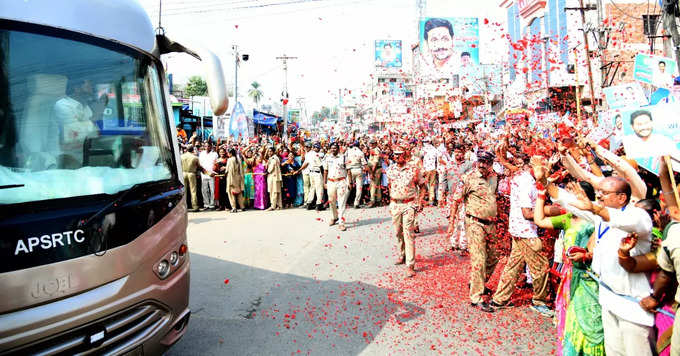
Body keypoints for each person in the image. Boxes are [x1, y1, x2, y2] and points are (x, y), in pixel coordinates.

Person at [552, 176, 654, 356]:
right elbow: (569, 201)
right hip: (608, 298)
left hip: (631, 304)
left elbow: (624, 221)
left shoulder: (638, 216)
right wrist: (544, 182)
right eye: (598, 192)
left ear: (622, 197)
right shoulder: (600, 214)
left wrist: (595, 208)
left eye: (604, 193)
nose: (599, 196)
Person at [491, 154, 554, 316]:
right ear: (534, 165)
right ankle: (539, 301)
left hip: (518, 230)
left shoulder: (524, 176)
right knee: (540, 268)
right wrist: (551, 211)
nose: (548, 168)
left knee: (513, 266)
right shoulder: (526, 183)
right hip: (527, 232)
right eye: (545, 165)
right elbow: (527, 212)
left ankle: (499, 299)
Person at [448, 151, 499, 311]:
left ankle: (478, 283)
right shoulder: (468, 178)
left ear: (491, 164)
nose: (482, 165)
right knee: (479, 260)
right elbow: (456, 201)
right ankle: (476, 297)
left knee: (494, 257)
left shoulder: (494, 177)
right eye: (480, 161)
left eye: (486, 162)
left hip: (491, 224)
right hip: (475, 223)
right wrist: (451, 223)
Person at [386, 144, 426, 278]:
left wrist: (420, 201)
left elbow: (422, 186)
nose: (397, 156)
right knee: (398, 232)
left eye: (400, 154)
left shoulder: (414, 169)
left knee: (408, 233)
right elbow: (390, 185)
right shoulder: (390, 170)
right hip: (395, 204)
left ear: (405, 154)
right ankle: (402, 254)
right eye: (395, 154)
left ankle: (410, 264)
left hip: (409, 204)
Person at [323, 142, 349, 231]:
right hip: (330, 182)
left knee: (341, 202)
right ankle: (334, 217)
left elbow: (348, 170)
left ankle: (341, 222)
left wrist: (349, 182)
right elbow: (325, 170)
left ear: (338, 149)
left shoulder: (344, 157)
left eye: (335, 148)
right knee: (331, 201)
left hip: (341, 181)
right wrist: (325, 182)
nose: (333, 149)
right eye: (332, 148)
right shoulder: (327, 157)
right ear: (330, 149)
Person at [299, 142, 324, 210]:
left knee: (312, 188)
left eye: (318, 148)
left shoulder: (308, 154)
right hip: (317, 172)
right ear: (313, 148)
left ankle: (309, 204)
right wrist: (324, 175)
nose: (317, 149)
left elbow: (306, 163)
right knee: (319, 189)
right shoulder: (315, 154)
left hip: (311, 173)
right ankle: (319, 204)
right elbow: (321, 166)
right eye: (316, 147)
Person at [346, 140, 367, 208]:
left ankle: (343, 201)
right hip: (358, 169)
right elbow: (364, 163)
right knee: (359, 187)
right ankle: (356, 203)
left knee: (348, 186)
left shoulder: (349, 151)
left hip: (350, 169)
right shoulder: (360, 152)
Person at [198, 142, 218, 210]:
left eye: (208, 146)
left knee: (212, 190)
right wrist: (204, 172)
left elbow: (216, 164)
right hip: (203, 174)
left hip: (212, 174)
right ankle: (206, 204)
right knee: (204, 190)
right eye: (206, 146)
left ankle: (212, 204)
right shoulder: (201, 154)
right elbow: (200, 164)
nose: (207, 147)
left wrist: (212, 172)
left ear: (211, 147)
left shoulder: (214, 154)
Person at [181, 145, 201, 212]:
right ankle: (194, 206)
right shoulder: (195, 157)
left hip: (183, 173)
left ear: (186, 149)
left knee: (184, 190)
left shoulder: (182, 156)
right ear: (192, 150)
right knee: (193, 190)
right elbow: (199, 167)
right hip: (191, 173)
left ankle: (184, 206)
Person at [226, 147, 245, 213]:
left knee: (231, 193)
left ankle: (234, 207)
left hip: (232, 178)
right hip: (238, 178)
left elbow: (230, 171)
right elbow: (241, 170)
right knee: (239, 193)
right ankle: (242, 206)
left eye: (228, 153)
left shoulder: (230, 160)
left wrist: (230, 181)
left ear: (230, 153)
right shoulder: (239, 159)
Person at [367, 139, 383, 208]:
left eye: (372, 143)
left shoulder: (376, 150)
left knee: (373, 185)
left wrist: (372, 173)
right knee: (377, 185)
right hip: (376, 169)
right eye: (370, 143)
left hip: (376, 169)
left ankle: (372, 200)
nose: (370, 145)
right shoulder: (374, 149)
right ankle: (378, 200)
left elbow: (375, 162)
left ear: (375, 144)